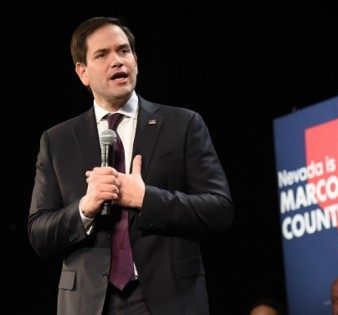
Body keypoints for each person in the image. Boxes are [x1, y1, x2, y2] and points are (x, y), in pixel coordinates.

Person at [27, 16, 234, 315]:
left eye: (124, 51)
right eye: (102, 54)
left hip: (169, 299)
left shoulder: (182, 124)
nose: (117, 61)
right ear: (82, 72)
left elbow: (219, 209)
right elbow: (39, 233)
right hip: (88, 303)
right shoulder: (57, 141)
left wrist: (146, 198)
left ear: (136, 59)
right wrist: (86, 207)